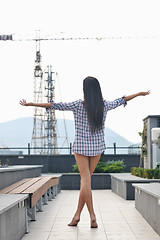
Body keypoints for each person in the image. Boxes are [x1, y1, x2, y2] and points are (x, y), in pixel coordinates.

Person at [19, 76, 150, 228]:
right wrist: (140, 94)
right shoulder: (104, 105)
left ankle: (92, 216)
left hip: (81, 147)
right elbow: (122, 100)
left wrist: (30, 104)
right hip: (97, 147)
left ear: (85, 90)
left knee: (85, 181)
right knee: (86, 182)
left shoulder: (78, 105)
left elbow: (55, 105)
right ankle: (77, 216)